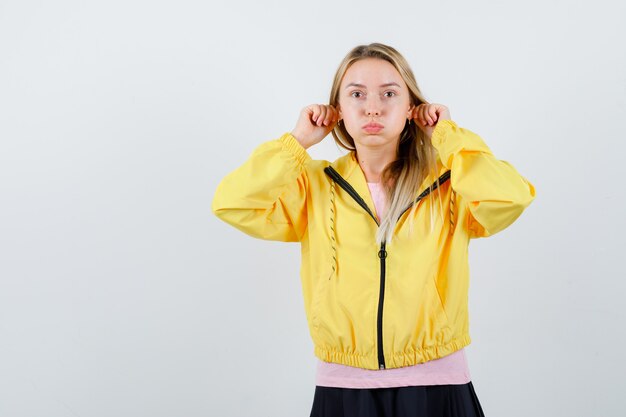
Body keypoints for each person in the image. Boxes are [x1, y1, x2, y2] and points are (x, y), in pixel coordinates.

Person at [212, 43, 536, 417]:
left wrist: (446, 135)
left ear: (412, 107)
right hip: (344, 387)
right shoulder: (315, 186)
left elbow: (510, 198)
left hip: (437, 385)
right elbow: (232, 202)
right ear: (337, 110)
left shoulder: (450, 184)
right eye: (356, 94)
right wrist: (296, 142)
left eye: (389, 94)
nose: (373, 107)